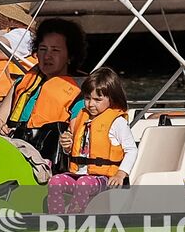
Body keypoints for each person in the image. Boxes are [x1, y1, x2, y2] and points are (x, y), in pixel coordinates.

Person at [0, 18, 85, 167]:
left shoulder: (78, 95)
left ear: (70, 57)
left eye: (55, 50)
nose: (47, 56)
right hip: (11, 155)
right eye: (43, 49)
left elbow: (78, 142)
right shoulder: (22, 84)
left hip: (46, 165)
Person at [47, 68, 137, 214]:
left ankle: (74, 216)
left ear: (111, 99)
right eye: (87, 98)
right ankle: (55, 217)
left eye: (97, 100)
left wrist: (121, 173)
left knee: (84, 184)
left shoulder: (117, 122)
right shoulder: (80, 118)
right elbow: (74, 149)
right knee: (55, 181)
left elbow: (131, 150)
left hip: (103, 179)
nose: (90, 104)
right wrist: (67, 146)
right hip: (79, 174)